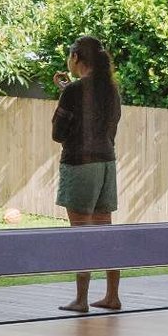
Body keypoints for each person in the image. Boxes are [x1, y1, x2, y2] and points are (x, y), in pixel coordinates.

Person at [52, 35, 123, 313]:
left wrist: (65, 93)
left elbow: (59, 133)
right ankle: (112, 295)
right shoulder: (111, 89)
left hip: (80, 164)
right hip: (107, 163)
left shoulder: (74, 91)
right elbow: (108, 125)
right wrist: (66, 90)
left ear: (76, 58)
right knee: (105, 231)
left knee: (81, 232)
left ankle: (81, 299)